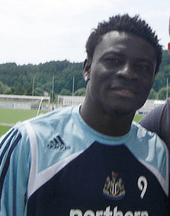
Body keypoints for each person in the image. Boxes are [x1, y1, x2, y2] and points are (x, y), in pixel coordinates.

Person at [0, 14, 169, 216]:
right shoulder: (28, 142)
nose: (127, 72)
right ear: (87, 68)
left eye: (142, 67)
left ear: (153, 79)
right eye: (113, 60)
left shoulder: (157, 153)